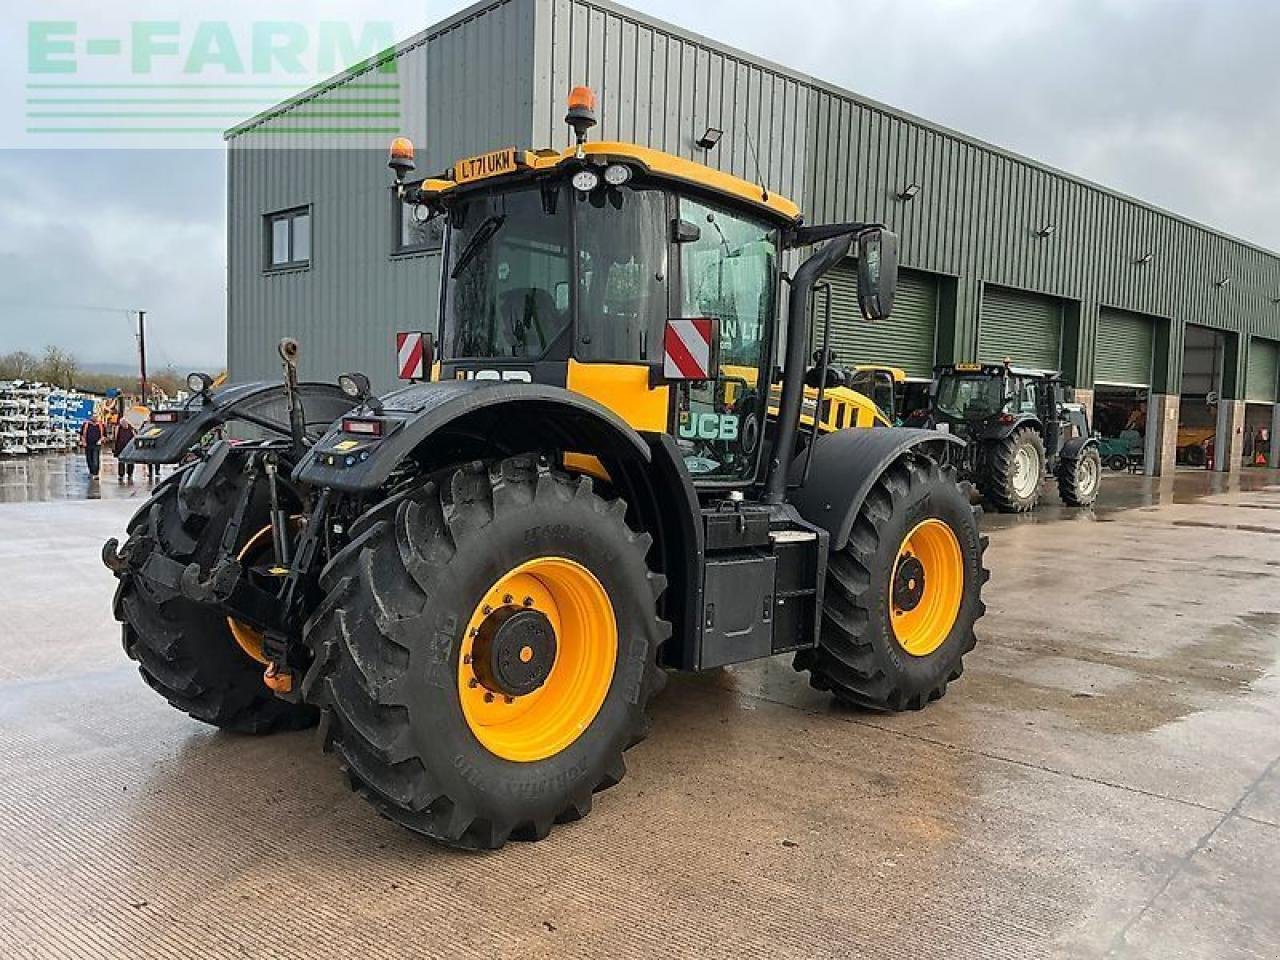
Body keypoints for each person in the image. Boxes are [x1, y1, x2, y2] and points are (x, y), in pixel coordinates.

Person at [113, 418, 136, 483]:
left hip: (130, 448)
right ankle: (121, 475)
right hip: (121, 448)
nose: (124, 425)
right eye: (122, 423)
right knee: (121, 462)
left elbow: (135, 437)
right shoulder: (118, 429)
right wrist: (115, 448)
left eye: (125, 423)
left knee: (130, 462)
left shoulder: (131, 429)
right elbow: (116, 438)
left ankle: (130, 474)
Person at [81, 415, 103, 479]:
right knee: (89, 459)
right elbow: (82, 434)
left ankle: (96, 474)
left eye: (96, 417)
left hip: (96, 445)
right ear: (91, 417)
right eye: (93, 417)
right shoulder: (86, 425)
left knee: (95, 459)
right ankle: (91, 472)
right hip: (88, 445)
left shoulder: (100, 425)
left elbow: (104, 435)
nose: (94, 418)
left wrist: (100, 440)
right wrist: (83, 442)